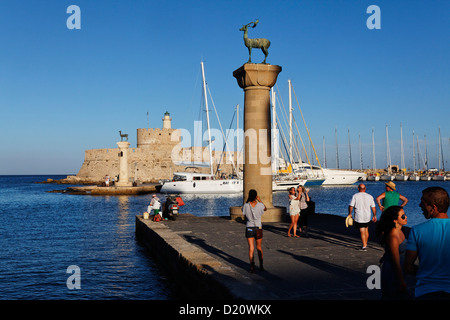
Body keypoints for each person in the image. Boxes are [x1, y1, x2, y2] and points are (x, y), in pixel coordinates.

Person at [404, 187, 450, 300]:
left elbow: (408, 267)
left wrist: (426, 273)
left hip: (425, 291)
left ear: (433, 208)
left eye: (423, 202)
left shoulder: (416, 230)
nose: (420, 205)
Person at [375, 206, 411, 299]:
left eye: (405, 215)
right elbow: (395, 262)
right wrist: (402, 281)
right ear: (395, 220)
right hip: (392, 273)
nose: (406, 217)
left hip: (400, 271)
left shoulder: (400, 231)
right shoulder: (393, 237)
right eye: (403, 216)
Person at [242, 189, 267, 273]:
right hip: (258, 227)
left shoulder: (246, 205)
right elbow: (265, 208)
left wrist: (247, 201)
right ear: (256, 196)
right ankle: (261, 265)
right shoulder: (260, 205)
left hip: (249, 227)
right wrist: (260, 200)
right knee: (259, 247)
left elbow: (243, 212)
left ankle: (252, 267)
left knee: (251, 248)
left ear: (249, 196)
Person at [348, 184, 377, 251]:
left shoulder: (355, 196)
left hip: (359, 216)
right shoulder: (370, 196)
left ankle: (364, 246)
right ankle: (365, 243)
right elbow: (373, 207)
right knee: (366, 229)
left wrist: (350, 213)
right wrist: (374, 215)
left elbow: (351, 206)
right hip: (367, 216)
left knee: (362, 231)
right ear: (365, 188)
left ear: (358, 189)